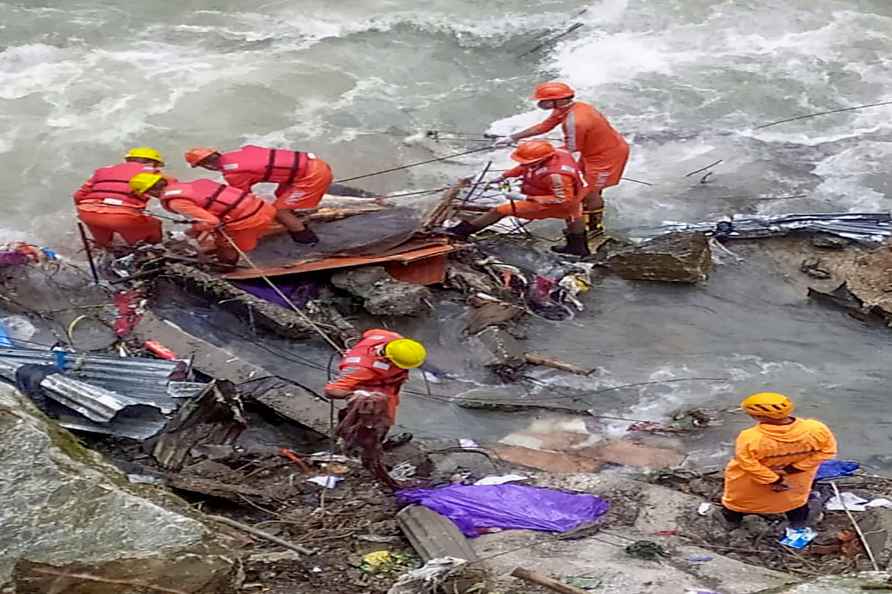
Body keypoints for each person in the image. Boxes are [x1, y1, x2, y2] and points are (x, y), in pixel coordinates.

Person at [495, 82, 629, 242]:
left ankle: (594, 228)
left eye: (544, 100)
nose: (540, 104)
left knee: (592, 191)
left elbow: (572, 148)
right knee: (581, 185)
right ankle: (582, 218)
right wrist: (513, 137)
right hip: (593, 151)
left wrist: (537, 151)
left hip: (606, 156)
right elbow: (545, 126)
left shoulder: (575, 121)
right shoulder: (570, 107)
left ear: (557, 100)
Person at [445, 140, 590, 256]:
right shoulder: (555, 155)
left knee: (500, 210)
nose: (524, 163)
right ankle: (578, 247)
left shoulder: (556, 176)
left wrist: (525, 197)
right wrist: (504, 176)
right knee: (574, 216)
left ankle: (462, 232)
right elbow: (525, 166)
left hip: (554, 201)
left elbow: (562, 199)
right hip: (573, 196)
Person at [325, 329, 426, 488]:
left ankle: (380, 439)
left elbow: (368, 333)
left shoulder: (391, 338)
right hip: (371, 392)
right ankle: (359, 452)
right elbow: (331, 390)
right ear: (389, 358)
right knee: (373, 422)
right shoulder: (359, 368)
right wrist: (356, 394)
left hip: (388, 388)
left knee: (387, 419)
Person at [720, 392, 837, 530]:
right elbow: (828, 452)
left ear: (758, 416)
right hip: (795, 479)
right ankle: (798, 527)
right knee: (795, 503)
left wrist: (774, 479)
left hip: (753, 481)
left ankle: (733, 524)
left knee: (738, 503)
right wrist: (793, 469)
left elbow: (747, 463)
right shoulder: (816, 429)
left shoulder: (752, 437)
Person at [184, 145, 333, 245]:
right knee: (280, 194)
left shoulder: (233, 174)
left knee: (280, 211)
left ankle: (307, 240)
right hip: (313, 163)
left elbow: (242, 201)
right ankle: (295, 218)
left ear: (206, 165)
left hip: (312, 175)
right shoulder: (241, 151)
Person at [128, 173, 276, 265]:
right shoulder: (190, 185)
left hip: (250, 220)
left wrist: (188, 233)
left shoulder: (177, 202)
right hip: (264, 207)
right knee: (214, 232)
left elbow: (212, 222)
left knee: (224, 245)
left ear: (150, 191)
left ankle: (228, 267)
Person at [73, 147, 166, 248]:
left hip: (87, 212)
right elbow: (169, 192)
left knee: (104, 246)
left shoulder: (103, 170)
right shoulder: (152, 172)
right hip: (123, 215)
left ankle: (103, 251)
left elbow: (78, 196)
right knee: (152, 229)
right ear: (152, 162)